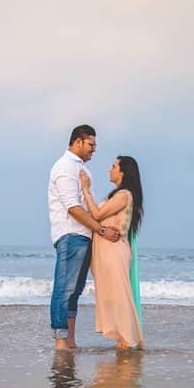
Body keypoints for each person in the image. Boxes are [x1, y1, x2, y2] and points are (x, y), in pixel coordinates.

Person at [48, 124, 121, 350]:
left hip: (83, 236)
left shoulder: (80, 168)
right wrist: (100, 230)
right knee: (64, 289)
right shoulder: (64, 167)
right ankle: (61, 341)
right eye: (91, 144)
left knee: (75, 291)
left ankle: (70, 340)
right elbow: (73, 207)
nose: (94, 150)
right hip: (71, 234)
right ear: (78, 142)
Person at [79, 155, 144, 349]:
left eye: (114, 166)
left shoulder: (124, 195)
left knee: (120, 296)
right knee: (112, 295)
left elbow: (97, 215)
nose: (110, 169)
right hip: (108, 251)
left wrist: (86, 190)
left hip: (115, 251)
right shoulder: (115, 195)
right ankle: (122, 340)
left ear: (123, 172)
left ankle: (127, 340)